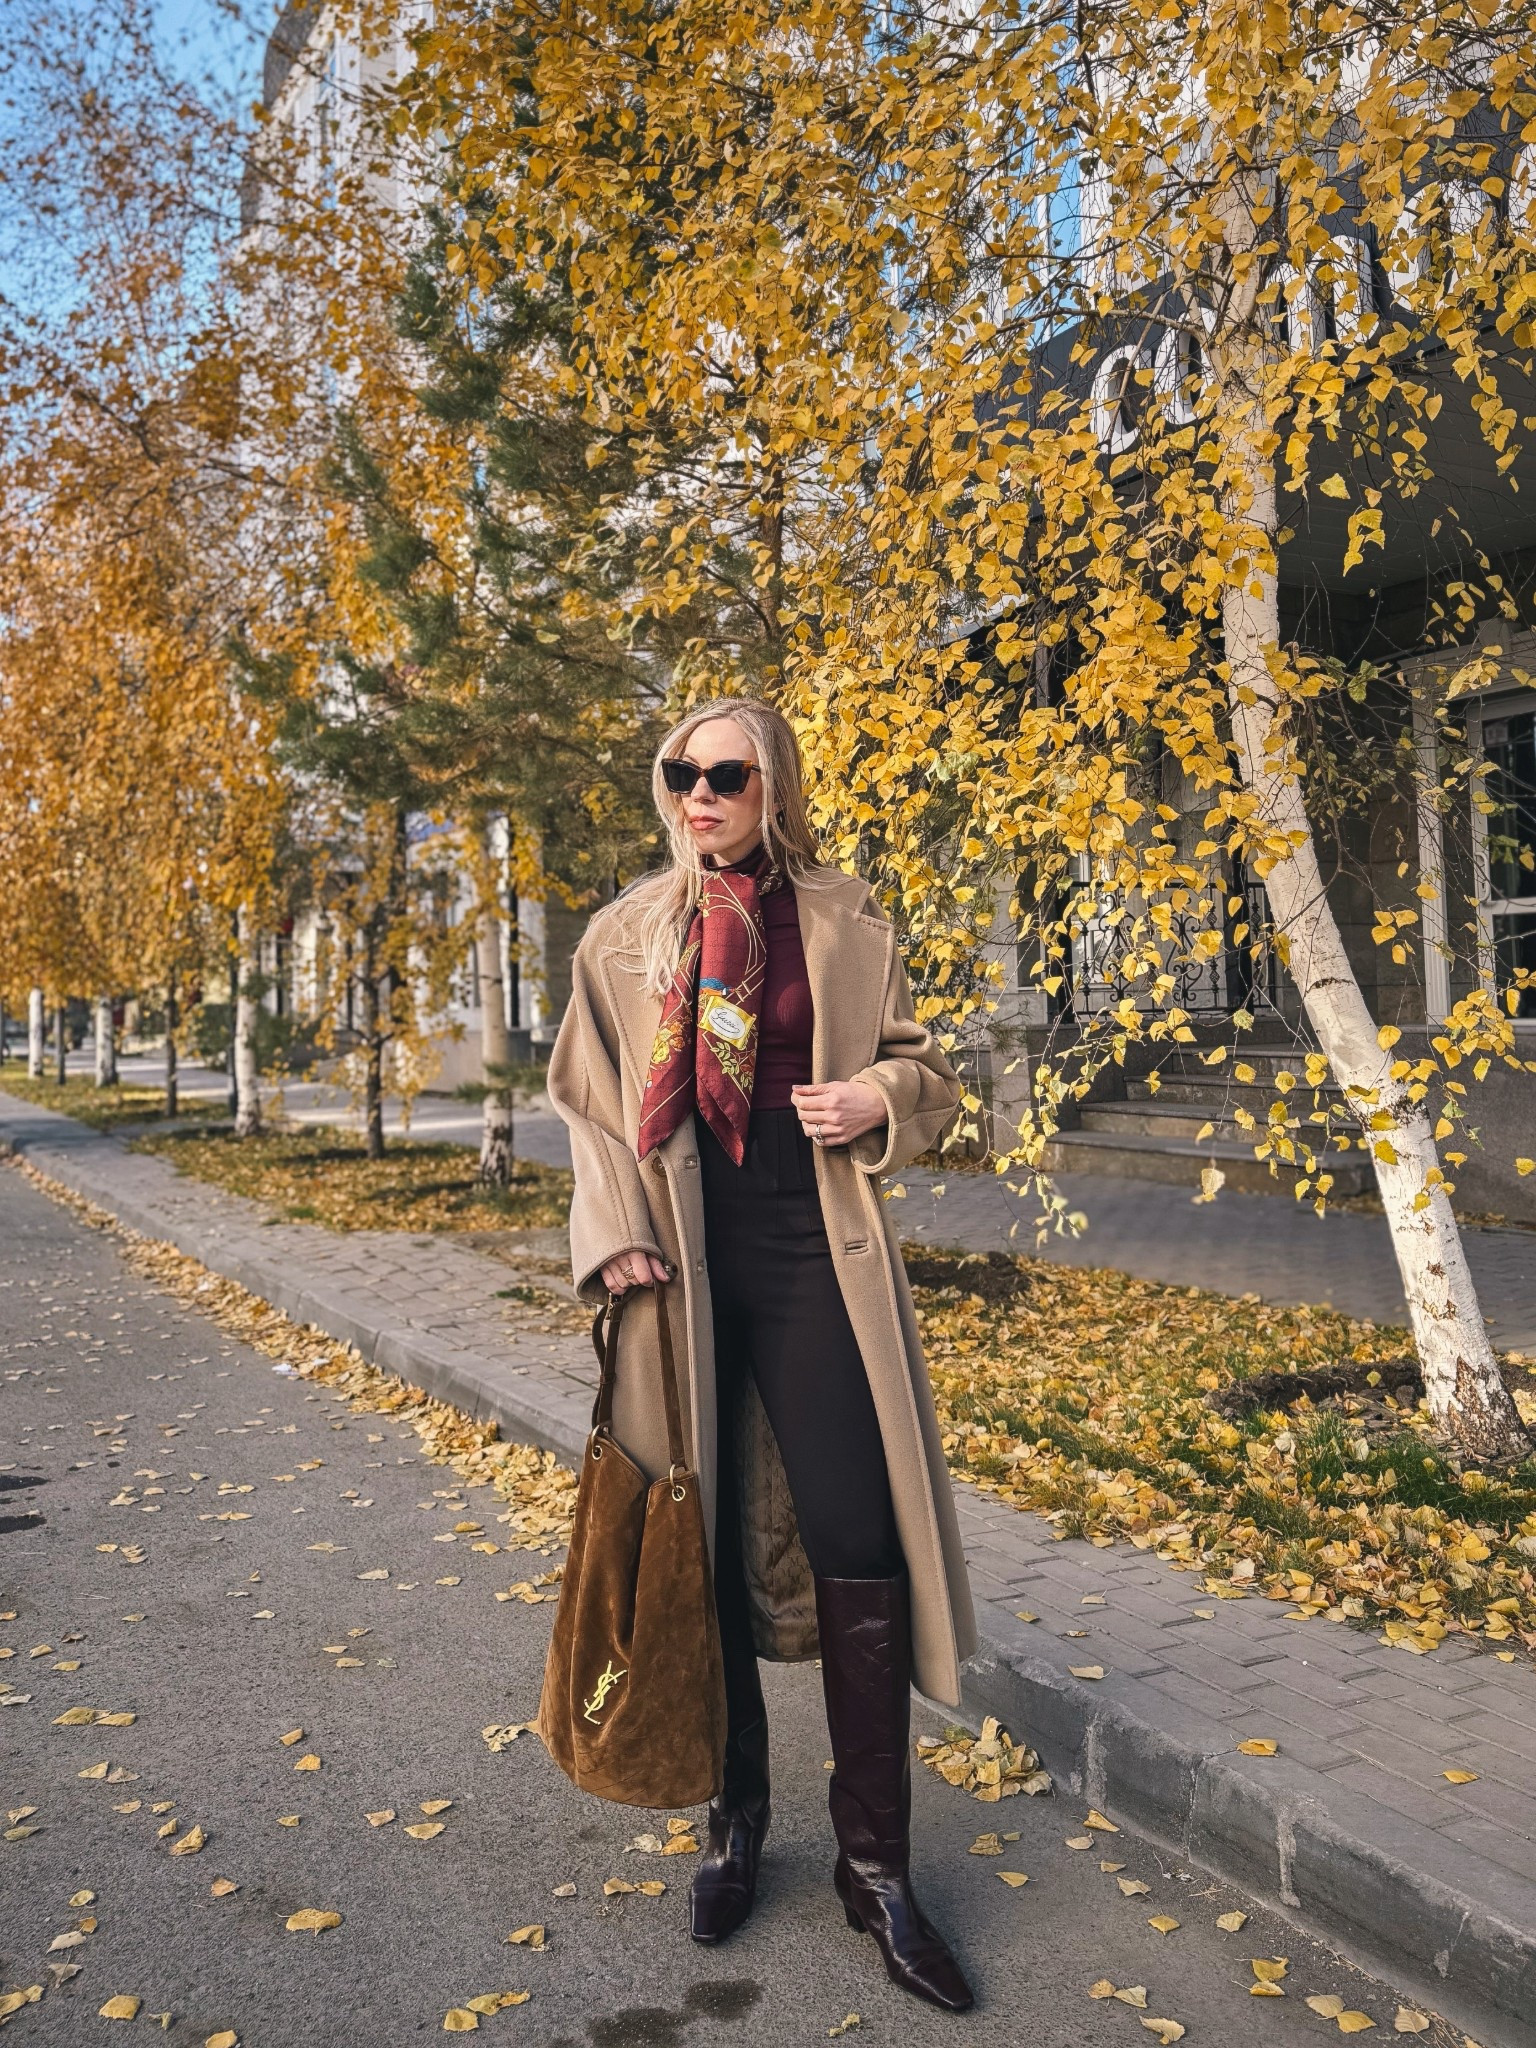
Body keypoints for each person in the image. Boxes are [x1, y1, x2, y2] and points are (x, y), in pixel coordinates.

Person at [546, 697, 977, 2012]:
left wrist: (876, 1098)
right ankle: (734, 1823)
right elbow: (587, 1103)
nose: (700, 793)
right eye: (680, 772)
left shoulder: (844, 919)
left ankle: (876, 1869)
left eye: (726, 773)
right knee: (707, 1537)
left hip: (812, 1257)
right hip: (681, 1269)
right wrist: (613, 1232)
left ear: (774, 784)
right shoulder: (627, 934)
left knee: (858, 1534)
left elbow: (931, 1074)